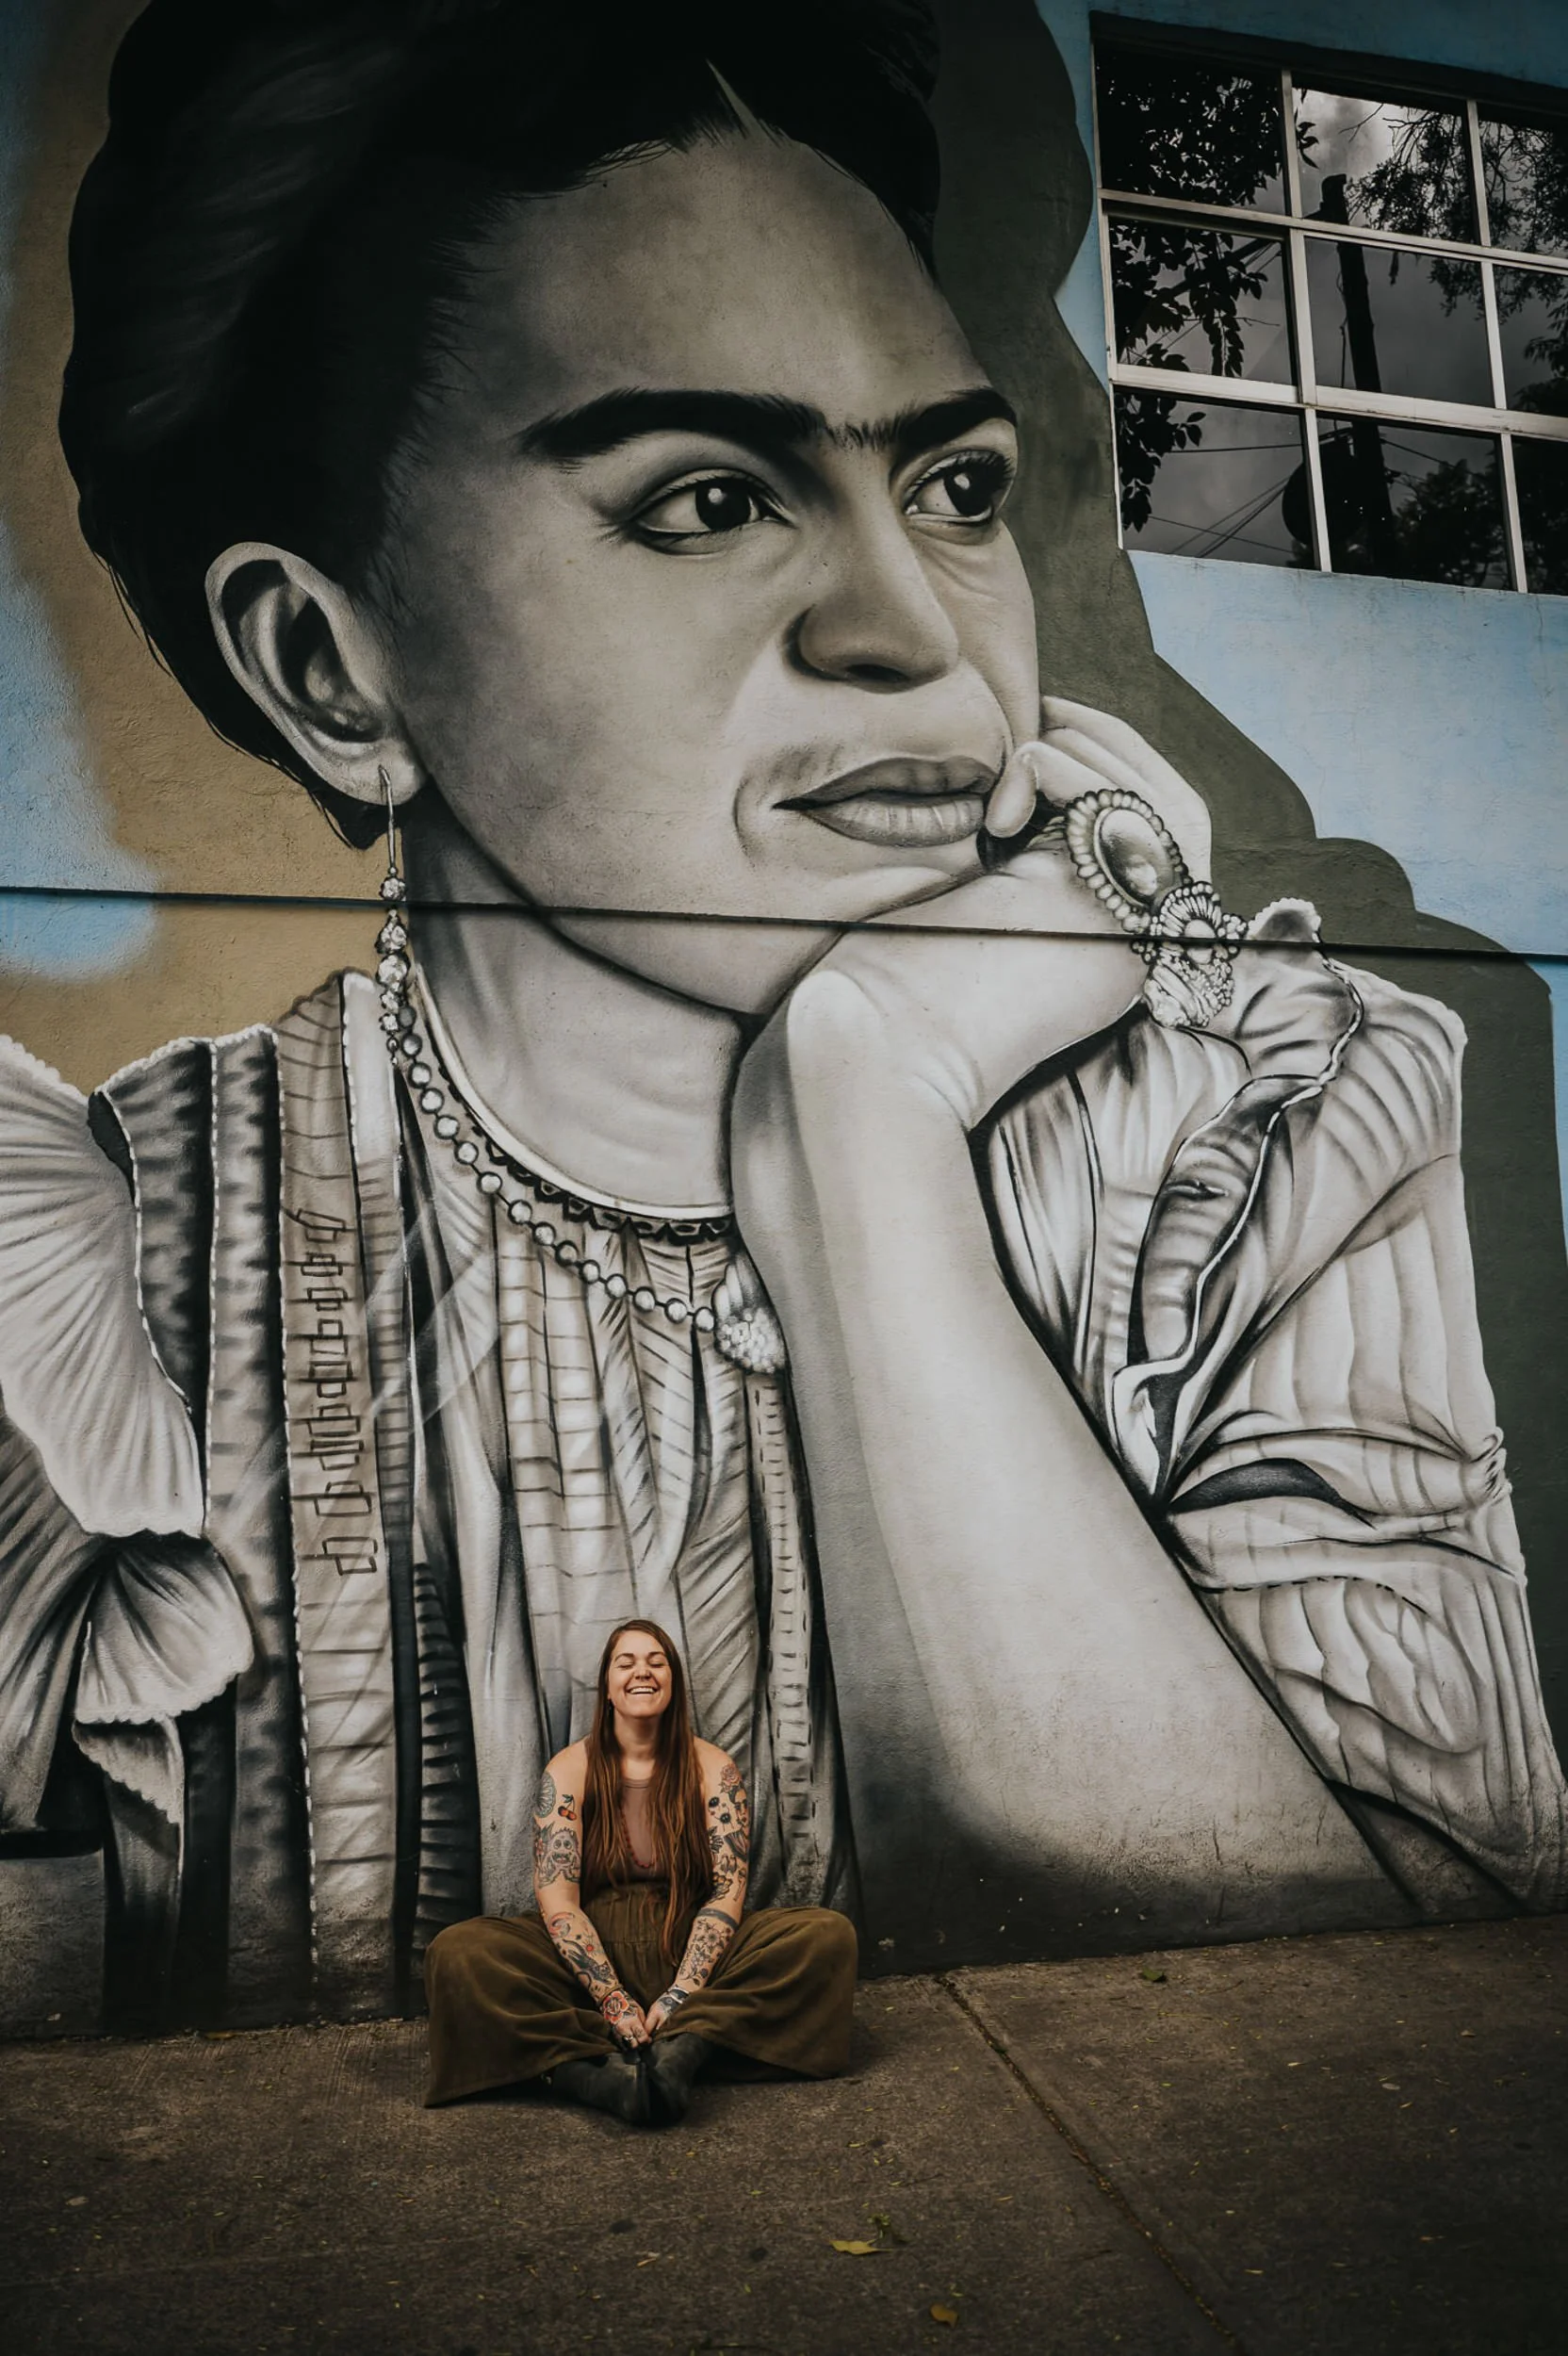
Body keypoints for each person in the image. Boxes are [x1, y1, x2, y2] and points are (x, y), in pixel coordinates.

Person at [0, 0, 1564, 2034]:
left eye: (957, 486)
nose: (916, 641)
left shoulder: (1273, 1120)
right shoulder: (90, 1278)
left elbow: (1320, 2078)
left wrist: (867, 1121)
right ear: (327, 667)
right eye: (706, 501)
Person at [424, 1620, 857, 2120]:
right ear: (607, 1687)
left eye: (656, 1662)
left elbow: (726, 1893)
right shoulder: (569, 1769)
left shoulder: (713, 1768)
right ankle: (597, 2078)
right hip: (592, 1949)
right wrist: (609, 1996)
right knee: (458, 1953)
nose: (641, 1673)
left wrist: (683, 1992)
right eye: (625, 1663)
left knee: (827, 1936)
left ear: (673, 1682)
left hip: (689, 1943)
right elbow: (558, 1901)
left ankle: (686, 2048)